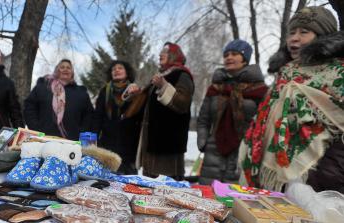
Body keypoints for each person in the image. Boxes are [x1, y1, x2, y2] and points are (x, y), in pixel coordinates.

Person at [239, 6, 344, 193]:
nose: (295, 38)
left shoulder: (338, 73)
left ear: (323, 36)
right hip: (271, 174)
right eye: (292, 32)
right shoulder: (286, 72)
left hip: (318, 177)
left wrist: (328, 172)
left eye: (304, 32)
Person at [196, 39, 268, 185]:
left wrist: (255, 147)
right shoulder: (215, 88)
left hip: (243, 151)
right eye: (226, 55)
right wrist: (203, 141)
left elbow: (264, 122)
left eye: (234, 54)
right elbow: (203, 119)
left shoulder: (259, 89)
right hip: (213, 151)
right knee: (208, 196)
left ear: (245, 59)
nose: (229, 57)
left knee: (235, 198)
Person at [137, 42, 195, 180]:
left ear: (174, 56)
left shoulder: (182, 75)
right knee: (151, 186)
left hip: (169, 145)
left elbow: (183, 104)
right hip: (153, 143)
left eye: (165, 52)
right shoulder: (162, 75)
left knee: (167, 187)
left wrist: (163, 86)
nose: (160, 54)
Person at [92, 60, 145, 174]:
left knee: (128, 180)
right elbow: (97, 117)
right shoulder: (104, 91)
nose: (116, 70)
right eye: (113, 69)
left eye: (120, 68)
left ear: (127, 72)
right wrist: (94, 138)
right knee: (106, 177)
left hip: (129, 143)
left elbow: (140, 115)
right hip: (107, 143)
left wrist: (137, 94)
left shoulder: (134, 90)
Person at [24, 59, 93, 140]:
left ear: (72, 73)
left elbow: (89, 116)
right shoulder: (42, 87)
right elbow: (29, 107)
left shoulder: (81, 93)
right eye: (62, 67)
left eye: (68, 67)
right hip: (43, 139)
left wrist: (81, 133)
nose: (65, 69)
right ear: (57, 71)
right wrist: (35, 128)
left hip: (71, 141)